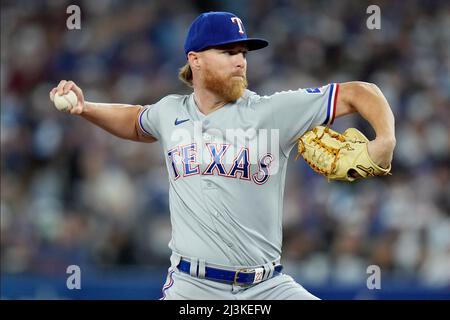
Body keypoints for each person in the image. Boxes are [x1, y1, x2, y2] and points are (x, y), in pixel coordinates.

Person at [49, 11, 395, 299]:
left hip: (268, 287)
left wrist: (385, 141)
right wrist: (85, 107)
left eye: (243, 53)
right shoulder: (170, 112)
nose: (240, 61)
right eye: (228, 52)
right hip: (192, 287)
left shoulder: (273, 111)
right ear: (195, 60)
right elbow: (137, 121)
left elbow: (359, 93)